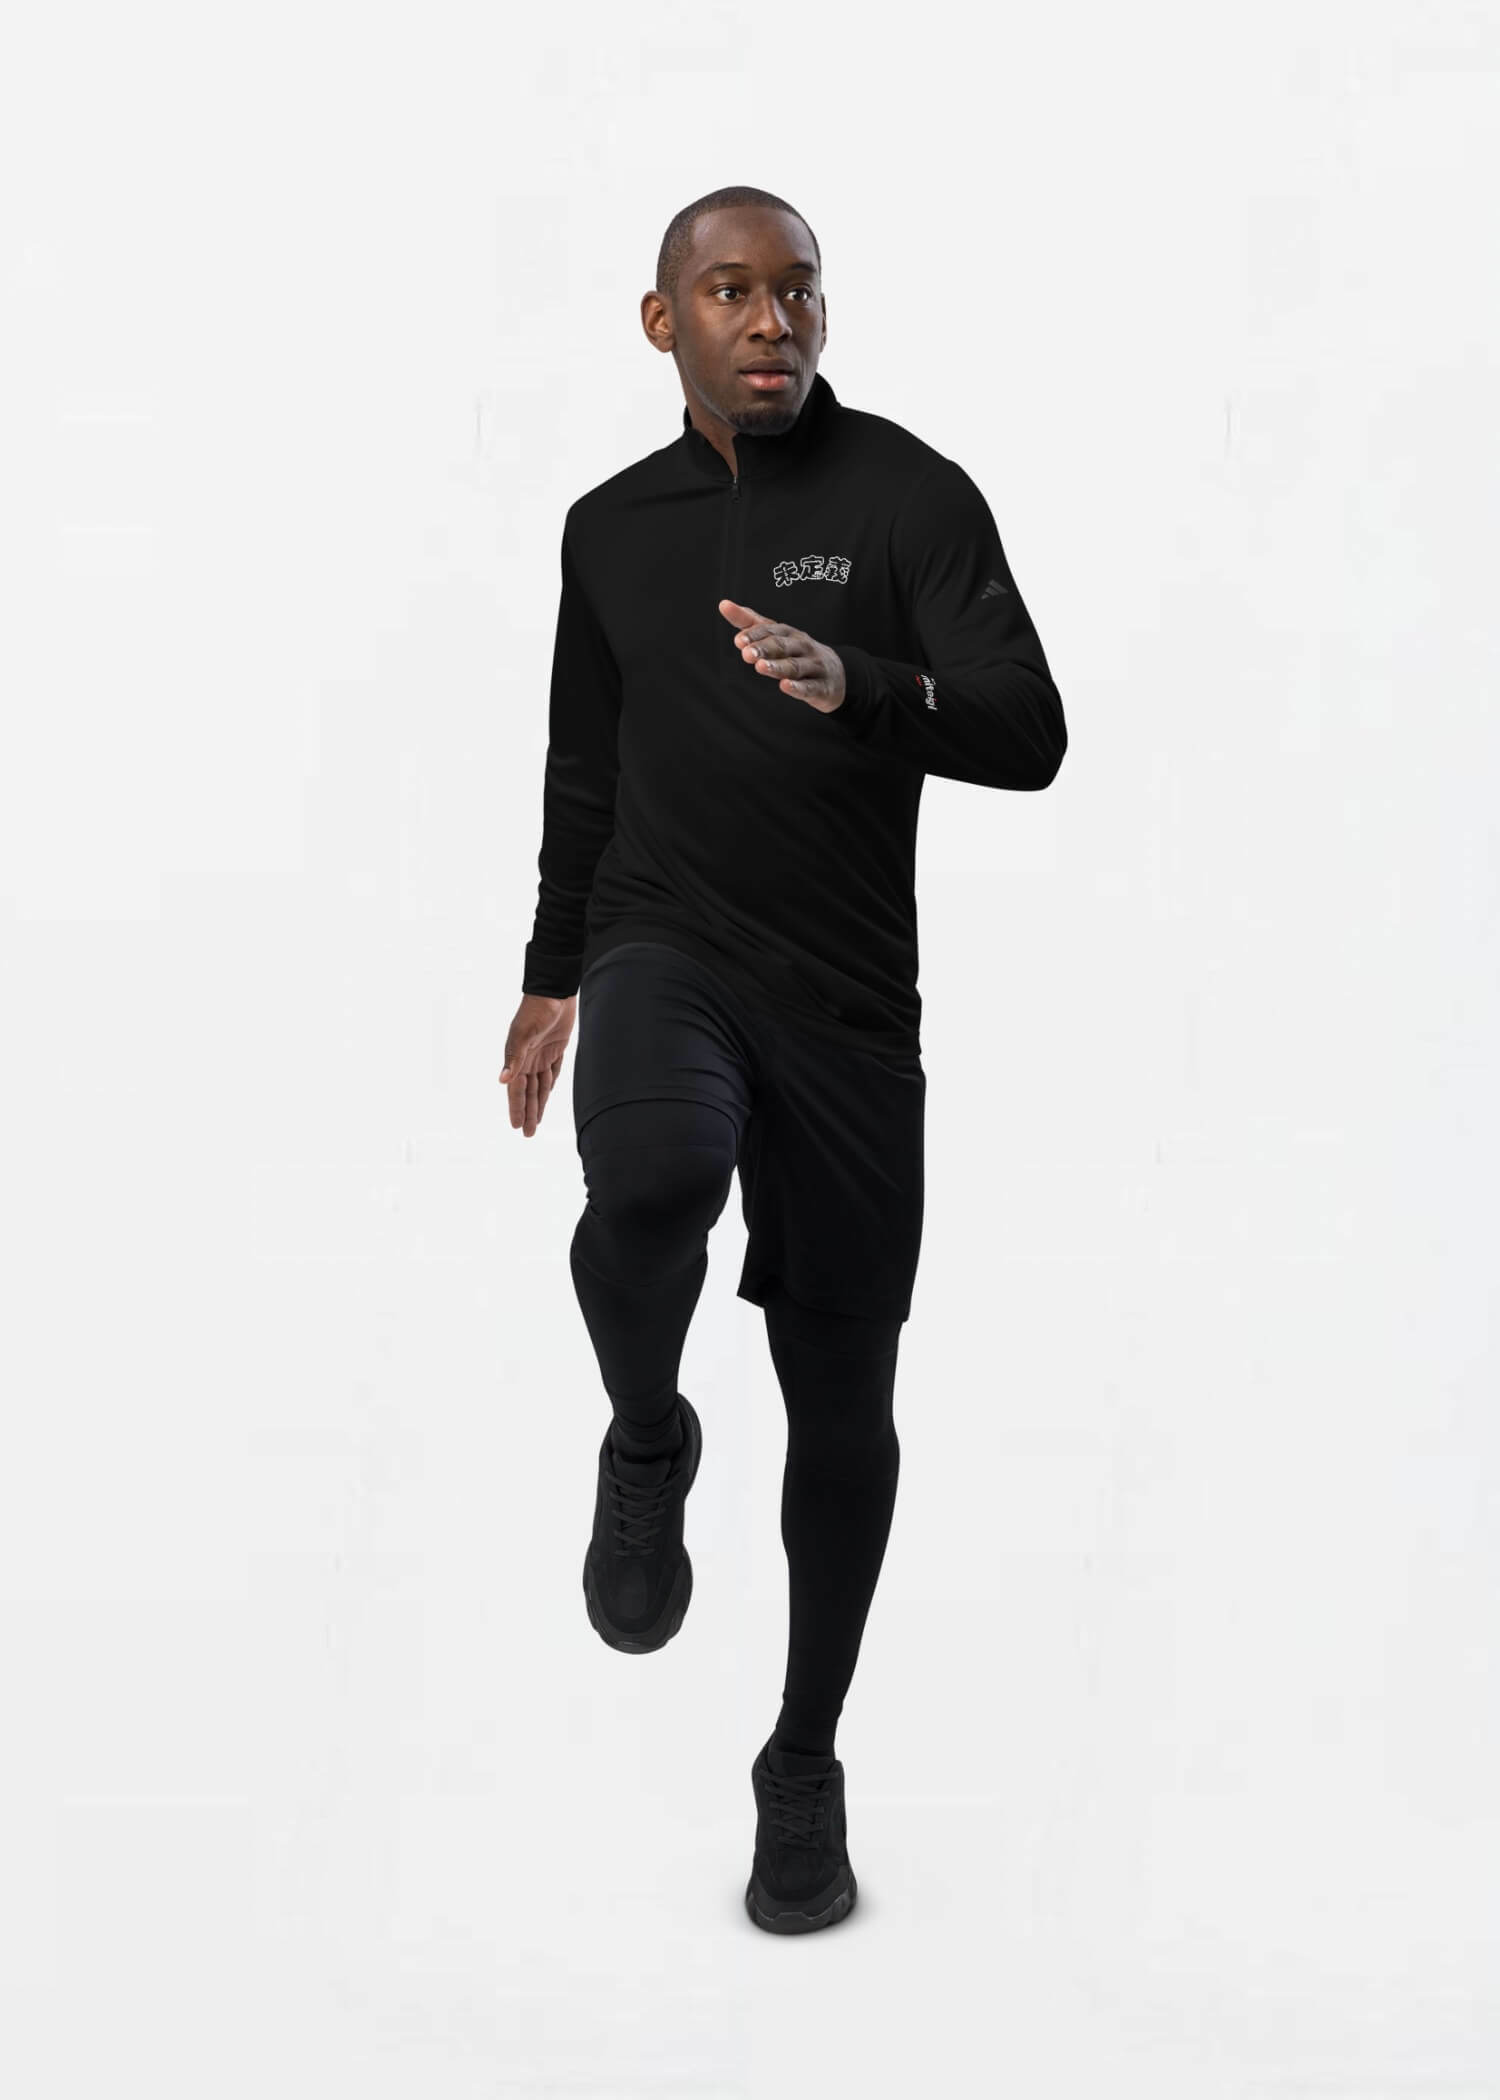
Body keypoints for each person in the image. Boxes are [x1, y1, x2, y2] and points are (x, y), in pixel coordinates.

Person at [499, 185, 1067, 1932]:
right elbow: (584, 770)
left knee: (843, 1407)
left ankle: (802, 1758)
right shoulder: (610, 531)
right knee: (651, 1176)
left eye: (797, 290)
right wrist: (551, 974)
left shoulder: (909, 494)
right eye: (732, 291)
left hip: (849, 1010)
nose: (771, 321)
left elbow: (1032, 728)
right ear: (663, 320)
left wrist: (866, 682)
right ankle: (647, 1436)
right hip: (663, 942)